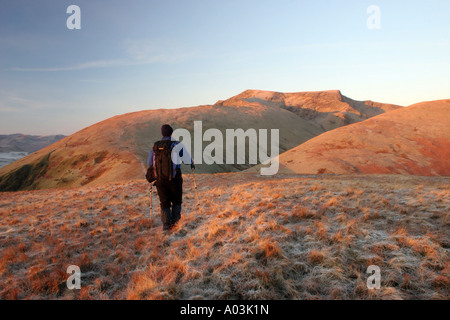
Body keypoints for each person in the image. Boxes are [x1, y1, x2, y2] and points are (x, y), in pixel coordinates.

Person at [147, 124, 194, 231]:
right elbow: (187, 160)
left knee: (164, 202)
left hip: (159, 179)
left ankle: (166, 226)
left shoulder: (155, 146)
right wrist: (192, 162)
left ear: (162, 133)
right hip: (174, 178)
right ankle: (176, 224)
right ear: (172, 133)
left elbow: (149, 162)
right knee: (177, 200)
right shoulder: (177, 145)